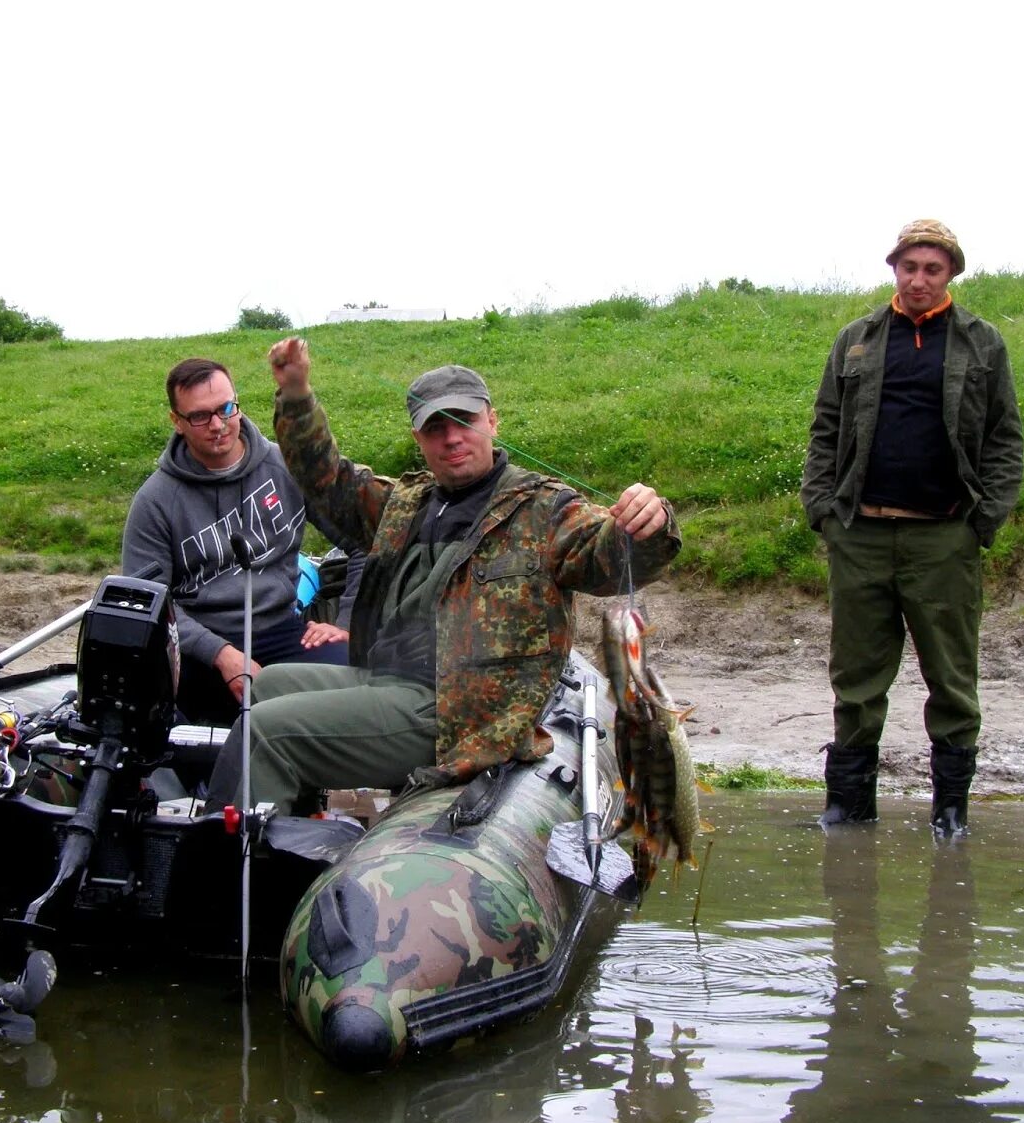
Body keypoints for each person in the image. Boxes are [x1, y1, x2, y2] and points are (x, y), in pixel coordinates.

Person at [205, 338, 682, 816]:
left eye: (464, 422)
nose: (451, 438)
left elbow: (609, 556)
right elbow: (325, 480)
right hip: (388, 683)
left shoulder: (546, 510)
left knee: (265, 731)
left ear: (492, 420)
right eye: (435, 429)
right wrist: (295, 393)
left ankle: (231, 871)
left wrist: (649, 523)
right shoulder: (404, 503)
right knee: (267, 688)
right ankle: (294, 829)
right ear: (418, 439)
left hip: (462, 716)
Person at [801, 219, 1024, 837]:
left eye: (932, 269)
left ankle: (950, 811)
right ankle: (848, 806)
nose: (919, 279)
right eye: (909, 267)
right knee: (856, 678)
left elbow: (1006, 439)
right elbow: (825, 428)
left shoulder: (983, 344)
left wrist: (984, 521)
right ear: (893, 269)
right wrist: (822, 507)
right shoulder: (857, 340)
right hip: (860, 535)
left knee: (952, 679)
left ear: (951, 273)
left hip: (944, 537)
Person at [121, 357, 356, 725]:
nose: (217, 425)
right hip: (200, 650)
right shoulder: (154, 502)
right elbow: (146, 600)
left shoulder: (288, 467)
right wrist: (221, 653)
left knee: (359, 683)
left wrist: (345, 620)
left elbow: (364, 541)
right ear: (177, 422)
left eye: (226, 408)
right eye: (200, 416)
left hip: (282, 629)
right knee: (201, 737)